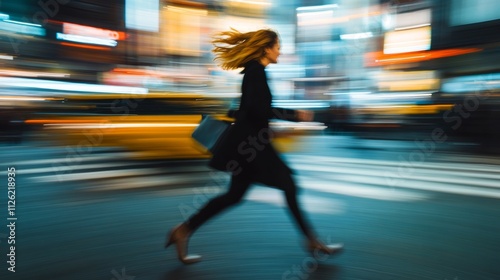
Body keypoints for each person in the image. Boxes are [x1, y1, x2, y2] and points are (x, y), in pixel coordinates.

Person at [165, 28, 343, 264]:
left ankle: (183, 230)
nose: (279, 51)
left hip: (248, 147)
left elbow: (246, 110)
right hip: (253, 149)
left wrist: (263, 121)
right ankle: (311, 241)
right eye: (277, 46)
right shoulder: (257, 72)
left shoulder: (253, 72)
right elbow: (258, 110)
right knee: (288, 184)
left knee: (234, 195)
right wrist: (294, 115)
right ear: (266, 48)